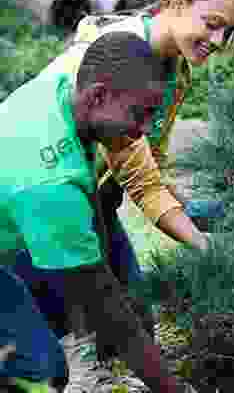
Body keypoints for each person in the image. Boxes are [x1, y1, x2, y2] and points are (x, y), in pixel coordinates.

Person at [7, 0, 234, 388]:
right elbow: (138, 180)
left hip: (88, 198)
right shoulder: (108, 61)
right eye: (212, 24)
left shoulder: (170, 67)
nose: (217, 41)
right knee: (71, 335)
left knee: (131, 313)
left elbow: (144, 169)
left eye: (227, 33)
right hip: (46, 205)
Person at [0, 32, 199, 393]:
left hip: (13, 237)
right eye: (140, 114)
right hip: (26, 219)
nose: (144, 130)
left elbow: (92, 211)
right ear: (98, 95)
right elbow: (107, 308)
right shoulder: (50, 183)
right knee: (40, 373)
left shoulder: (60, 92)